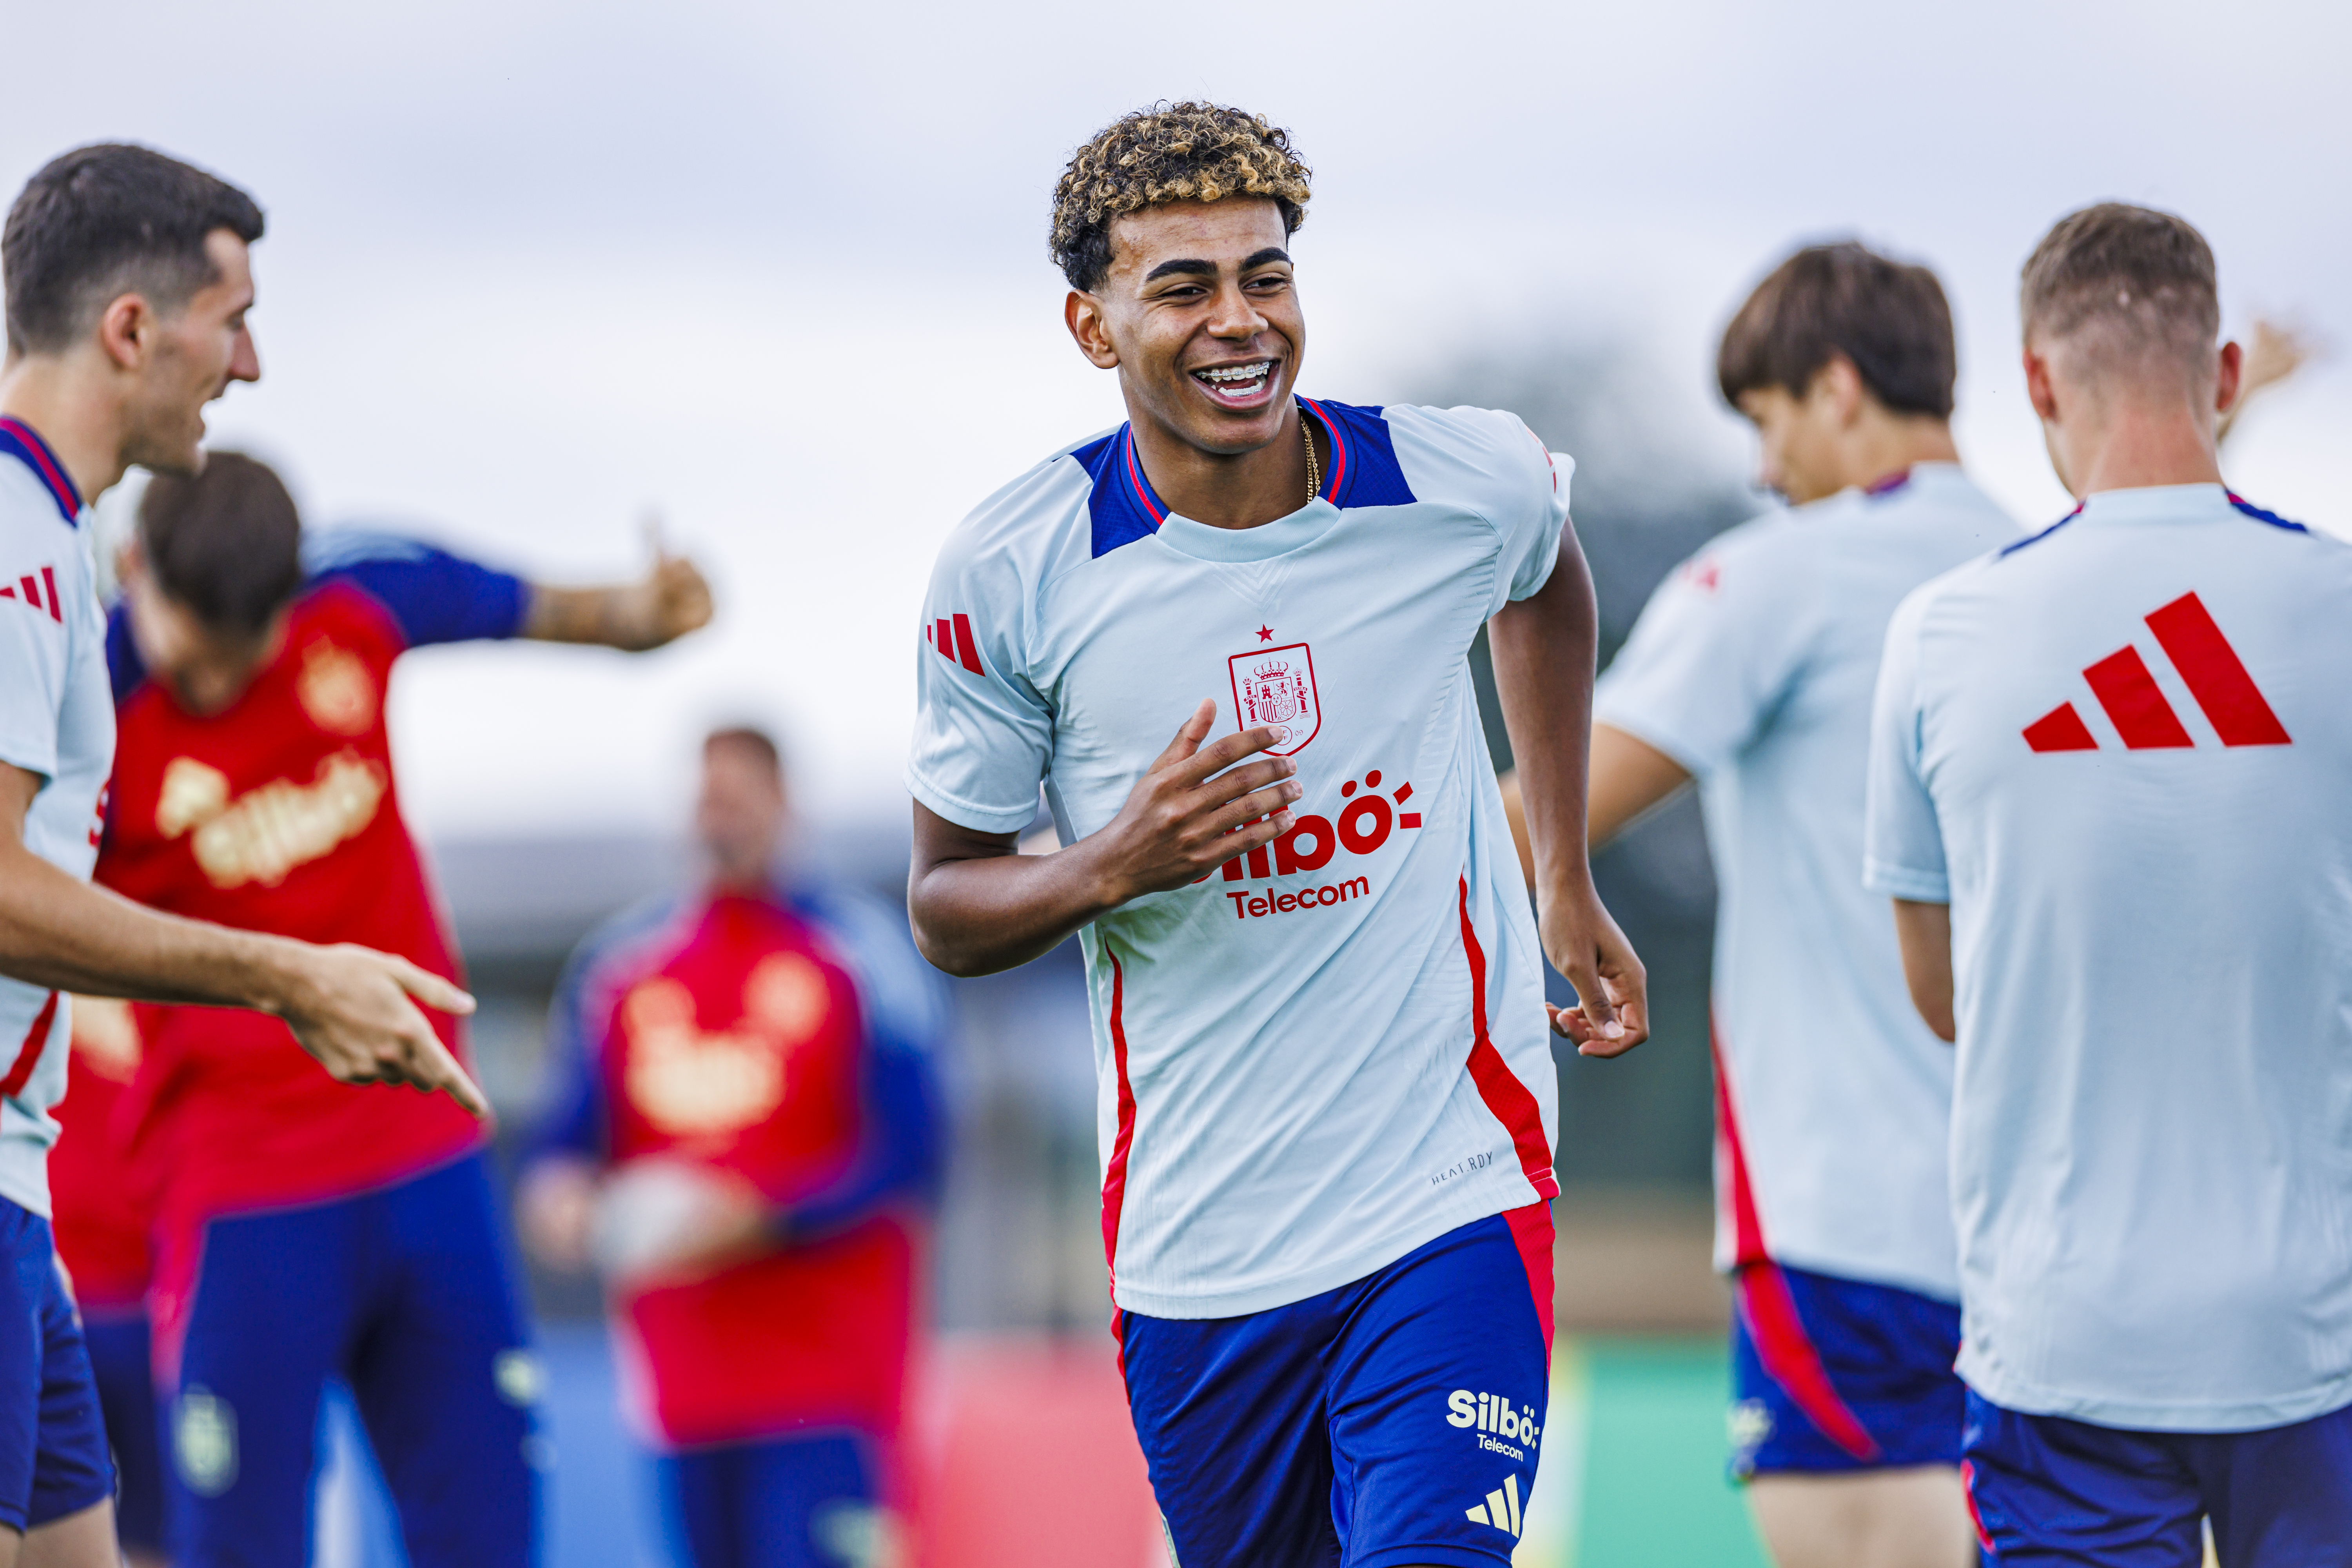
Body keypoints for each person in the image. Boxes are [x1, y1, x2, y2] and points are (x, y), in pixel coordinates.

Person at [903, 103, 1647, 1567]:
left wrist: (1559, 871)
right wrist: (1115, 862)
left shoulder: (1454, 481)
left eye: (1267, 274)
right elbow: (943, 904)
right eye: (1184, 287)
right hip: (1200, 1254)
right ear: (1091, 324)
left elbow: (1547, 578)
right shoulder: (1011, 570)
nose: (1240, 322)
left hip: (1454, 1194)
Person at [90, 448, 712, 1565]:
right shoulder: (79, 703)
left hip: (426, 1155)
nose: (222, 688)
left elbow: (544, 608)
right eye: (196, 658)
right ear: (133, 567)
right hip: (240, 1186)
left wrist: (643, 612)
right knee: (237, 1547)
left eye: (249, 658)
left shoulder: (356, 595)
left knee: (485, 1531)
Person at [0, 142, 482, 1568]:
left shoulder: (59, 548)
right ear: (132, 331)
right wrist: (291, 977)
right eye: (233, 317)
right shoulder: (16, 553)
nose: (251, 364)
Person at [1863, 203, 2352, 1564]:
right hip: (2319, 1336)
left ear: (2033, 382)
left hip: (2060, 1342)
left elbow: (1944, 998)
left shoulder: (1942, 635)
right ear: (2231, 375)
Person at [1552, 243, 2010, 1568]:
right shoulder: (2048, 571)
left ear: (1837, 386)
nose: (1763, 470)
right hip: (2049, 1219)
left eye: (1768, 423)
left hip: (1839, 1216)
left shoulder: (1776, 577)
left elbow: (1542, 813)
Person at [518, 726, 946, 1568]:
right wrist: (560, 1196)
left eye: (743, 798)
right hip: (683, 1379)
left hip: (831, 1378)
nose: (723, 818)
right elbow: (564, 1139)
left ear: (786, 809)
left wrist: (761, 1217)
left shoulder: (863, 955)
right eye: (710, 798)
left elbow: (915, 1155)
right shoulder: (624, 967)